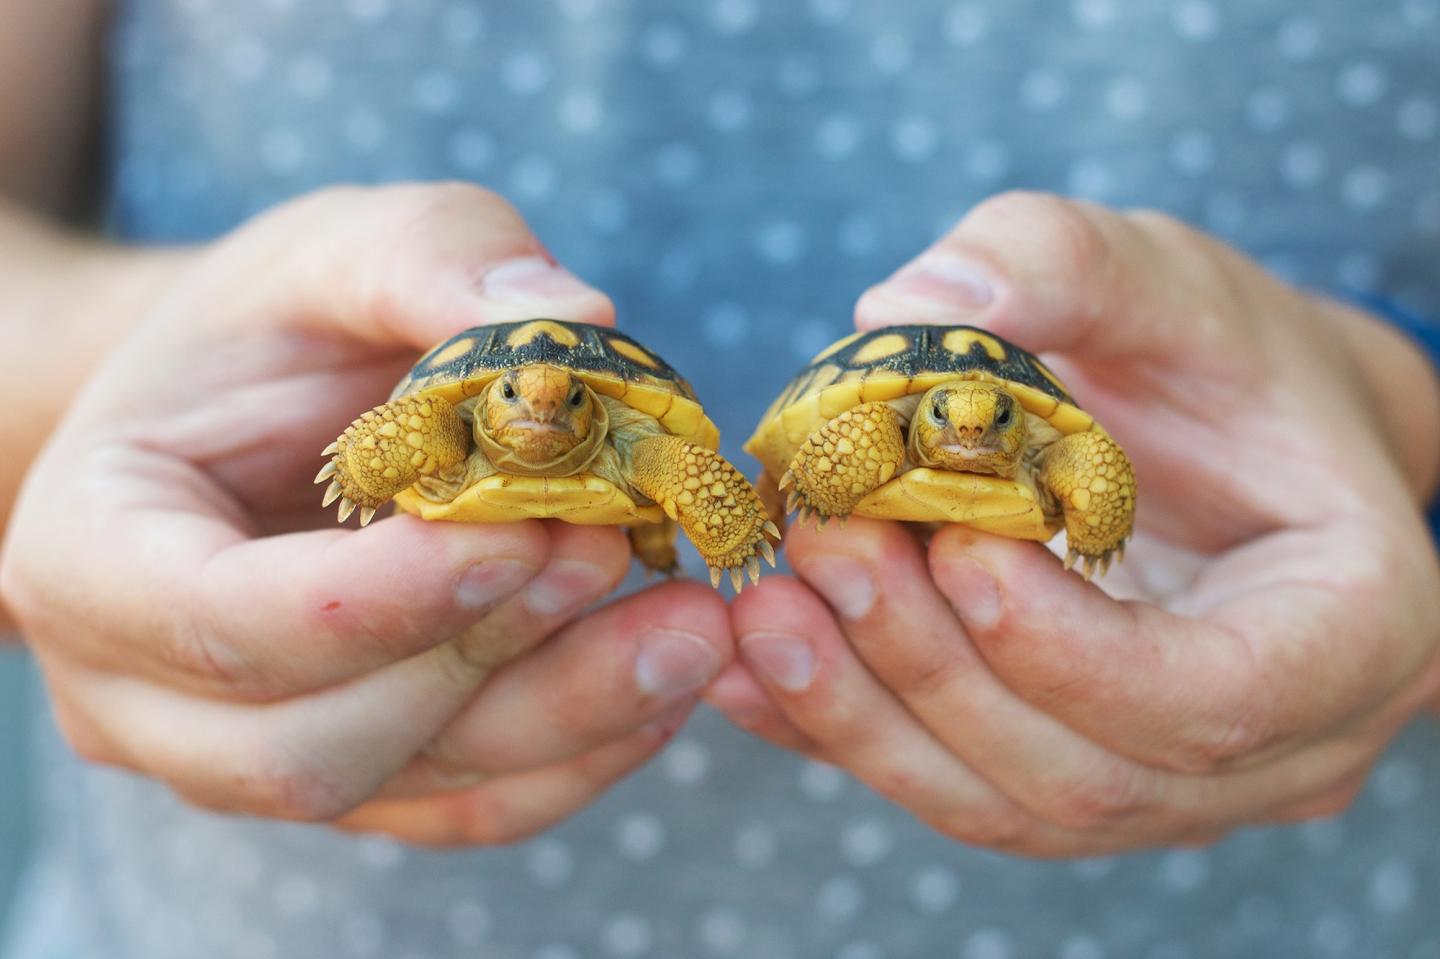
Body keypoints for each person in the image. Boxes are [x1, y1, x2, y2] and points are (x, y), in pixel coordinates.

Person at [1, 1, 1438, 956]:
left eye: (982, 424)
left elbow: (988, 453)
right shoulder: (525, 422)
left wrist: (1400, 418)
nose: (552, 412)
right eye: (529, 399)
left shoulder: (976, 432)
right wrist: (90, 406)